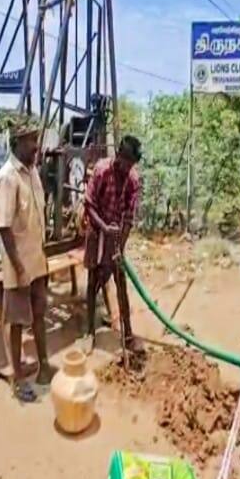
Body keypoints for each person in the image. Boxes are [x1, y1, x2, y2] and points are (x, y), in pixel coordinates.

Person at [0, 126, 56, 403]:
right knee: (16, 322)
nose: (36, 146)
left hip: (37, 260)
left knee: (39, 313)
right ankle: (18, 381)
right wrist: (17, 266)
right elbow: (4, 227)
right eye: (31, 141)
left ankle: (44, 366)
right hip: (19, 265)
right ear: (16, 143)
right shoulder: (7, 178)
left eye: (36, 141)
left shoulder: (32, 173)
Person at [84, 135, 143, 352]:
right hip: (96, 228)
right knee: (93, 283)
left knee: (121, 283)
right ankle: (89, 332)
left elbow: (128, 218)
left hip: (117, 234)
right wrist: (103, 228)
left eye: (132, 165)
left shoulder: (133, 180)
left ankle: (128, 334)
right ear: (118, 156)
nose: (128, 168)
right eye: (126, 163)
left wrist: (119, 248)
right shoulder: (101, 171)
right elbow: (88, 205)